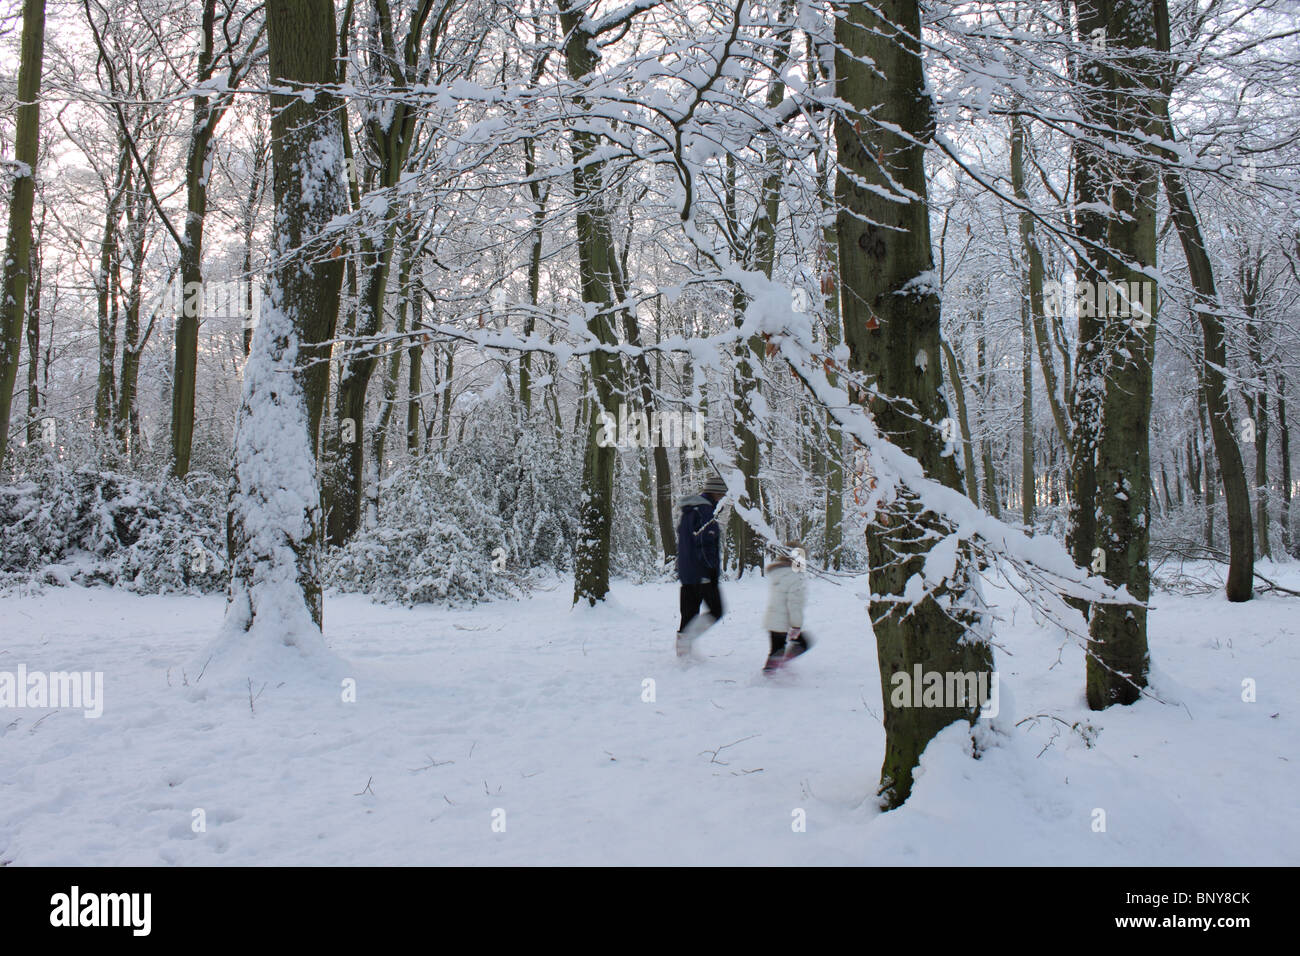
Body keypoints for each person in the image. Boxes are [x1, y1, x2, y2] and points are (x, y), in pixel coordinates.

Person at [675, 474, 727, 657]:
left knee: (689, 614)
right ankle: (687, 641)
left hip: (687, 571)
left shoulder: (689, 511)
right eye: (723, 493)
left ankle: (683, 653)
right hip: (702, 572)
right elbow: (706, 542)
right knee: (717, 610)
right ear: (717, 492)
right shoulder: (706, 511)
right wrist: (710, 569)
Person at [761, 541, 813, 674]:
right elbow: (794, 605)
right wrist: (796, 625)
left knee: (776, 650)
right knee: (803, 643)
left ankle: (773, 668)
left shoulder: (777, 573)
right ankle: (772, 672)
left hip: (772, 620)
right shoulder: (796, 578)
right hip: (785, 623)